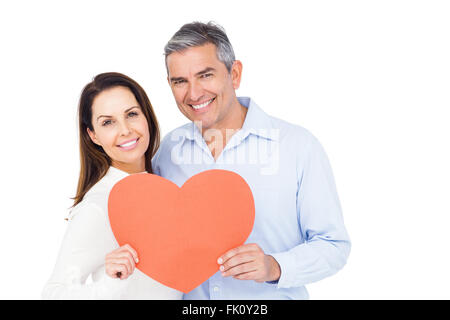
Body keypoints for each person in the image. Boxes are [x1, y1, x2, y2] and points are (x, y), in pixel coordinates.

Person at [152, 22, 351, 299]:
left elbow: (334, 245)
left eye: (205, 75)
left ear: (234, 74)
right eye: (180, 81)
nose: (193, 93)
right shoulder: (167, 152)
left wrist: (275, 266)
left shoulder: (297, 147)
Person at [42, 72, 182, 299]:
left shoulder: (165, 186)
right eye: (108, 122)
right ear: (93, 135)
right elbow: (53, 293)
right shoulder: (98, 206)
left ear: (147, 116)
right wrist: (110, 282)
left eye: (132, 114)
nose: (125, 130)